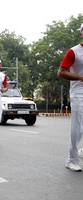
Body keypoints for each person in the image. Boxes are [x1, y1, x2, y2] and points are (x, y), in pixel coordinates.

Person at [57, 23, 83, 172]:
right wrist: (80, 78)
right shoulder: (74, 51)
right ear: (81, 33)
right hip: (79, 92)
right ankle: (71, 159)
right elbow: (61, 72)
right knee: (77, 128)